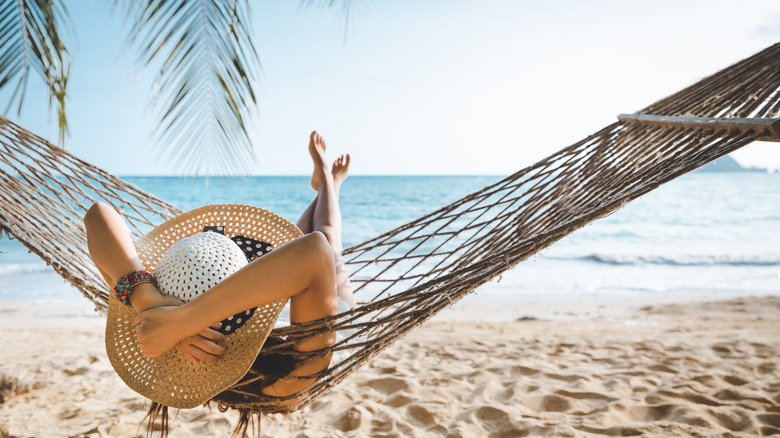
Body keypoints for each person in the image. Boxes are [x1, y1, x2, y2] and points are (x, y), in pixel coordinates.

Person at [83, 131, 353, 398]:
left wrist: (149, 301)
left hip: (272, 282)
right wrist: (181, 321)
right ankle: (330, 182)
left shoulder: (149, 327)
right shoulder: (286, 379)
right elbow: (317, 251)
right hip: (318, 306)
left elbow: (97, 216)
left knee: (299, 240)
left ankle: (327, 183)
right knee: (329, 236)